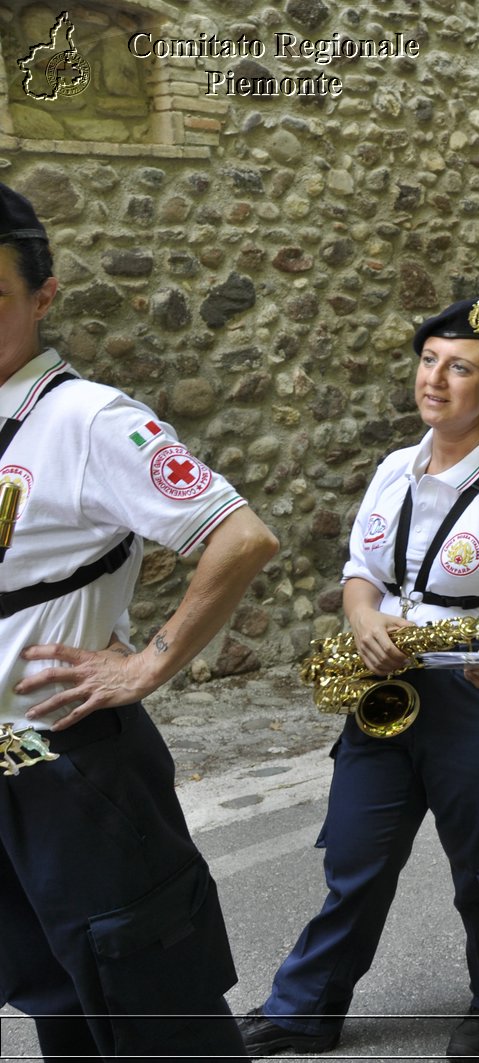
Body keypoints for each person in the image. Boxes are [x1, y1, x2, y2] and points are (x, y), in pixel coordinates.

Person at [241, 296, 479, 1061]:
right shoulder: (393, 469)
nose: (436, 377)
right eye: (430, 359)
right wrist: (362, 619)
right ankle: (306, 1008)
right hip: (386, 686)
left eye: (460, 367)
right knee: (355, 859)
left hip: (478, 693)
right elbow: (361, 573)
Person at [0, 181, 278, 1061]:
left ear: (43, 298)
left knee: (157, 1020)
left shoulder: (84, 418)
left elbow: (241, 536)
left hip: (74, 773)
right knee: (61, 1009)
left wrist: (146, 664)